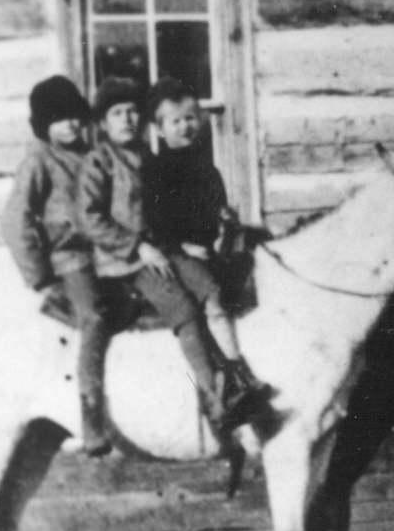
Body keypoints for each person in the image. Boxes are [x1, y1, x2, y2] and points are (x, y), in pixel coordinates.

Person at [78, 77, 262, 435]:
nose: (127, 119)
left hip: (161, 252)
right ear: (102, 123)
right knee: (183, 307)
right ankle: (215, 398)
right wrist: (137, 246)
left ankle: (240, 376)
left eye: (132, 112)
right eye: (117, 113)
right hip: (124, 261)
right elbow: (89, 217)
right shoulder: (99, 162)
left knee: (215, 288)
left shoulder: (147, 158)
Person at [1, 75, 112, 455]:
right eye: (61, 119)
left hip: (109, 254)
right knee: (94, 317)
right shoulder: (39, 163)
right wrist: (41, 277)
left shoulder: (96, 157)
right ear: (45, 125)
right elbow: (16, 220)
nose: (72, 126)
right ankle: (91, 416)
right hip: (70, 259)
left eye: (76, 117)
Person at [143, 79, 267, 402]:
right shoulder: (157, 171)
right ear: (159, 130)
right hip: (178, 254)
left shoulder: (208, 170)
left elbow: (214, 214)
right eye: (175, 121)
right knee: (211, 298)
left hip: (207, 253)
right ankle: (237, 374)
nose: (185, 126)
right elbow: (156, 221)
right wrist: (182, 246)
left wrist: (223, 225)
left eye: (190, 118)